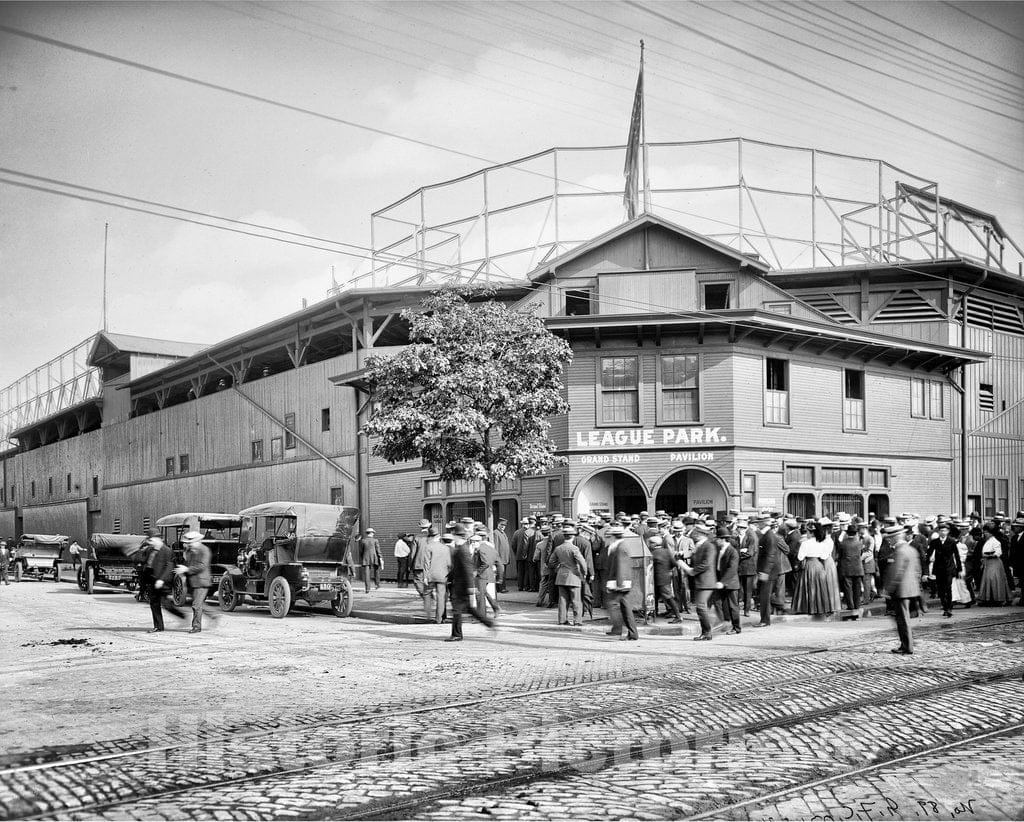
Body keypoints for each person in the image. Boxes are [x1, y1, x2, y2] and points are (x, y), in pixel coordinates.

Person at [446, 526, 496, 642]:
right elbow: (457, 568)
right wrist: (449, 578)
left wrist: (470, 586)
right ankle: (489, 623)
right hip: (460, 585)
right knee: (469, 609)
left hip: (461, 586)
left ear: (458, 536)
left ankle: (457, 634)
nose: (453, 537)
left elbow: (468, 569)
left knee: (457, 610)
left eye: (454, 535)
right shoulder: (460, 548)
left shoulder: (462, 550)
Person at [884, 525, 922, 655]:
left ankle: (907, 646)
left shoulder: (899, 551)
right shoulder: (911, 550)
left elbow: (897, 572)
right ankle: (906, 643)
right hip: (911, 589)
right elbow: (917, 571)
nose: (888, 541)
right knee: (904, 618)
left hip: (901, 591)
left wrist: (889, 589)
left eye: (890, 538)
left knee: (902, 619)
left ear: (896, 537)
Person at [175, 531, 217, 634]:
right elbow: (187, 563)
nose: (188, 544)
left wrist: (186, 569)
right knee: (198, 603)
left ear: (198, 541)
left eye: (190, 542)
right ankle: (213, 614)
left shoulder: (204, 550)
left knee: (196, 605)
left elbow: (202, 566)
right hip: (192, 581)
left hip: (202, 581)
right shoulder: (190, 551)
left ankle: (196, 627)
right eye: (187, 543)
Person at [792, 518, 835, 616]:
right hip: (819, 565)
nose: (806, 534)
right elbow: (825, 556)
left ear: (811, 533)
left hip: (809, 565)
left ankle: (807, 607)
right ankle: (820, 607)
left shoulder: (805, 543)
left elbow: (800, 557)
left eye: (807, 532)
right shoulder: (822, 543)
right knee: (819, 586)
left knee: (808, 586)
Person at [144, 529, 185, 633]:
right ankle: (158, 627)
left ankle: (183, 616)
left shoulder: (167, 551)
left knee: (166, 604)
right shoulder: (149, 550)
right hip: (152, 580)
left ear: (158, 539)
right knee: (154, 603)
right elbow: (147, 563)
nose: (150, 542)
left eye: (151, 540)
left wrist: (161, 580)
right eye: (149, 540)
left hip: (163, 581)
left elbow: (169, 566)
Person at [604, 523, 638, 641]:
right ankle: (632, 633)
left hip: (620, 582)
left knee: (612, 605)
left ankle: (618, 629)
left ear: (614, 536)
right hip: (621, 582)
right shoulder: (619, 546)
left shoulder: (620, 547)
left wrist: (619, 584)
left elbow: (621, 566)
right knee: (625, 607)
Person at [549, 527, 587, 626]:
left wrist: (558, 567)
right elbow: (582, 562)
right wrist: (584, 572)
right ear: (573, 537)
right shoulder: (574, 548)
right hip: (574, 576)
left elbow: (551, 562)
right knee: (576, 600)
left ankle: (562, 620)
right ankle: (577, 621)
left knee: (562, 599)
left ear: (564, 537)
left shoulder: (558, 548)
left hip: (561, 576)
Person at [926, 522, 963, 618]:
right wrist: (926, 570)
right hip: (938, 569)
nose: (943, 532)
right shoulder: (935, 542)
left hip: (949, 568)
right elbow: (929, 555)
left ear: (948, 532)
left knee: (948, 588)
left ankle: (949, 608)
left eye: (945, 531)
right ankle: (944, 606)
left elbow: (957, 556)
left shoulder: (951, 542)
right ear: (938, 532)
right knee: (941, 590)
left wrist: (959, 569)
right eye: (941, 531)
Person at [689, 523, 718, 640]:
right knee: (700, 607)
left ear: (702, 534)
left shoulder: (709, 546)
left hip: (706, 581)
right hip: (701, 580)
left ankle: (707, 632)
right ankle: (706, 632)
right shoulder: (700, 546)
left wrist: (693, 571)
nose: (694, 534)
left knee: (700, 606)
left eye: (696, 533)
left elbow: (706, 564)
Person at [754, 515, 782, 627]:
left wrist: (765, 571)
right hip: (767, 570)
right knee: (763, 595)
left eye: (759, 522)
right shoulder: (766, 535)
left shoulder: (769, 536)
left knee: (765, 596)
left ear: (764, 523)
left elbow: (770, 556)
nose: (758, 524)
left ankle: (765, 620)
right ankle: (765, 618)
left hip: (769, 572)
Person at [714, 526, 741, 635]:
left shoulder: (732, 552)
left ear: (723, 539)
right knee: (721, 604)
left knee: (733, 606)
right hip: (722, 581)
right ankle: (725, 622)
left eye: (718, 538)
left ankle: (736, 627)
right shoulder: (720, 550)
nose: (716, 540)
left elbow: (732, 569)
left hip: (730, 583)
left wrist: (722, 582)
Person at [650, 535, 681, 624]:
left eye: (650, 543)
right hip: (665, 578)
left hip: (657, 579)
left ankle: (678, 617)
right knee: (665, 597)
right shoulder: (666, 551)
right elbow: (674, 563)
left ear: (654, 544)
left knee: (667, 597)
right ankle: (655, 614)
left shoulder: (653, 553)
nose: (649, 545)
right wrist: (667, 570)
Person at [836, 522, 865, 618]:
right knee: (857, 588)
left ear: (847, 533)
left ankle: (850, 606)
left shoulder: (842, 544)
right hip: (857, 568)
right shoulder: (859, 543)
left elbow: (839, 556)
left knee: (848, 588)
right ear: (856, 533)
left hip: (846, 568)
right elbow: (861, 554)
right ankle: (857, 605)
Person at [977, 523, 1010, 606]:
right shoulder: (987, 541)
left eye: (986, 532)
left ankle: (998, 599)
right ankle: (988, 598)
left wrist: (989, 555)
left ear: (991, 533)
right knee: (987, 580)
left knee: (994, 579)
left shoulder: (995, 541)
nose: (984, 534)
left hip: (994, 563)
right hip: (988, 563)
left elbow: (998, 553)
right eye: (984, 532)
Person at [423, 526, 451, 624]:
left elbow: (426, 563)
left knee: (426, 593)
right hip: (443, 575)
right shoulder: (445, 548)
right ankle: (439, 619)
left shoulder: (428, 547)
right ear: (438, 536)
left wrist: (425, 576)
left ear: (430, 536)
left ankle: (427, 615)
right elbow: (449, 563)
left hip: (431, 575)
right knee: (441, 597)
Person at [473, 526, 501, 618]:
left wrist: (477, 572)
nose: (473, 542)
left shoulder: (480, 549)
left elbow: (485, 563)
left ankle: (481, 615)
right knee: (484, 592)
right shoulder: (491, 548)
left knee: (480, 596)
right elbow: (498, 563)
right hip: (489, 575)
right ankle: (495, 607)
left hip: (482, 575)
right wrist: (500, 576)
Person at [358, 528, 382, 593]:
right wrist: (380, 557)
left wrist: (362, 558)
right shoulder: (375, 540)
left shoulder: (363, 541)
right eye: (373, 533)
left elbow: (361, 551)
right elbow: (378, 550)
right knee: (376, 571)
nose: (373, 534)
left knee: (367, 574)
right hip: (374, 558)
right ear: (371, 533)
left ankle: (367, 589)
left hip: (366, 558)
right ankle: (377, 585)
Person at [493, 518, 511, 594]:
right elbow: (496, 546)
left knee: (503, 574)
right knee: (500, 573)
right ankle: (500, 588)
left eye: (504, 525)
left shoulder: (503, 533)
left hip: (505, 557)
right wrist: (496, 558)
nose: (503, 526)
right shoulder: (496, 533)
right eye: (501, 525)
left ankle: (503, 587)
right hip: (500, 557)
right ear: (498, 524)